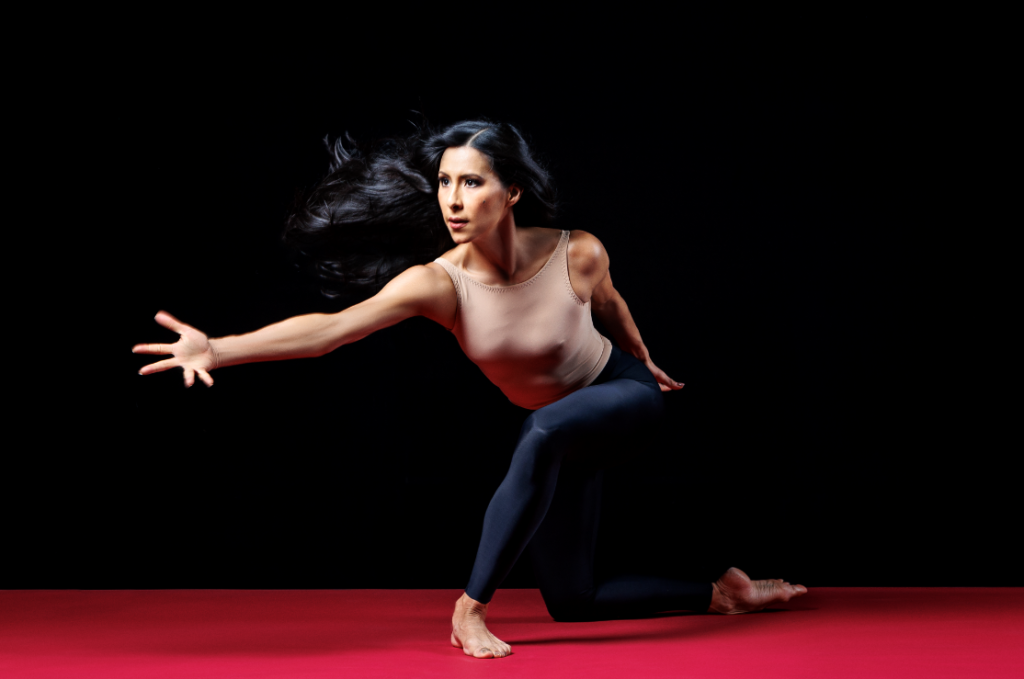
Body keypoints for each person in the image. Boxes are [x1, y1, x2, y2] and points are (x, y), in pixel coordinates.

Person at [133, 120, 807, 659]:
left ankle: (470, 607)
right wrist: (220, 348)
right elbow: (331, 330)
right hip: (563, 436)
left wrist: (644, 359)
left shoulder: (577, 250)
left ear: (511, 192)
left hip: (622, 399)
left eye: (472, 182)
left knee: (541, 428)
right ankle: (722, 594)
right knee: (573, 600)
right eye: (445, 182)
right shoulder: (439, 283)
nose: (453, 199)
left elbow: (610, 305)